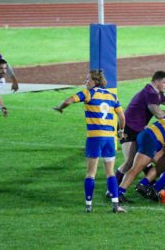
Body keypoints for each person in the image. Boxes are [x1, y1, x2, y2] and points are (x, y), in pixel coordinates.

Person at [53, 69, 126, 213]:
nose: (86, 82)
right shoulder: (112, 96)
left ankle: (88, 205)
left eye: (88, 79)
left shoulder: (87, 93)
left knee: (90, 173)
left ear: (95, 81)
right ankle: (116, 205)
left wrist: (60, 107)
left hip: (95, 138)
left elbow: (68, 100)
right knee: (110, 173)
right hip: (110, 139)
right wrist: (121, 131)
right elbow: (122, 118)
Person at [116, 71, 165, 185]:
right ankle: (112, 191)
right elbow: (159, 114)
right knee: (130, 162)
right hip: (128, 129)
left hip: (137, 129)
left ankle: (149, 184)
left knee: (146, 158)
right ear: (157, 81)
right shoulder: (151, 93)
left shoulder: (157, 93)